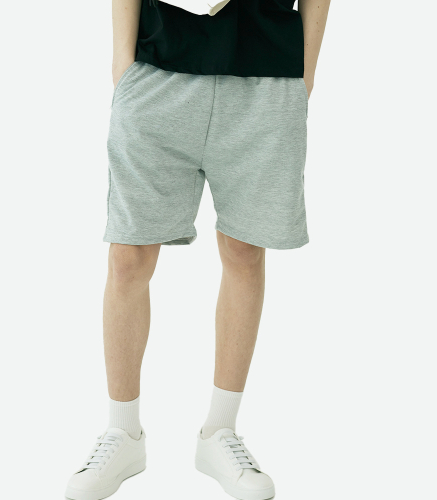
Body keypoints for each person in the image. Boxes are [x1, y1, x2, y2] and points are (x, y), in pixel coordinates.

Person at [65, 0, 331, 498]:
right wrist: (122, 62)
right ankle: (123, 432)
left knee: (244, 251)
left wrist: (305, 71)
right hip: (157, 67)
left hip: (267, 74)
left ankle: (220, 431)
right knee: (128, 257)